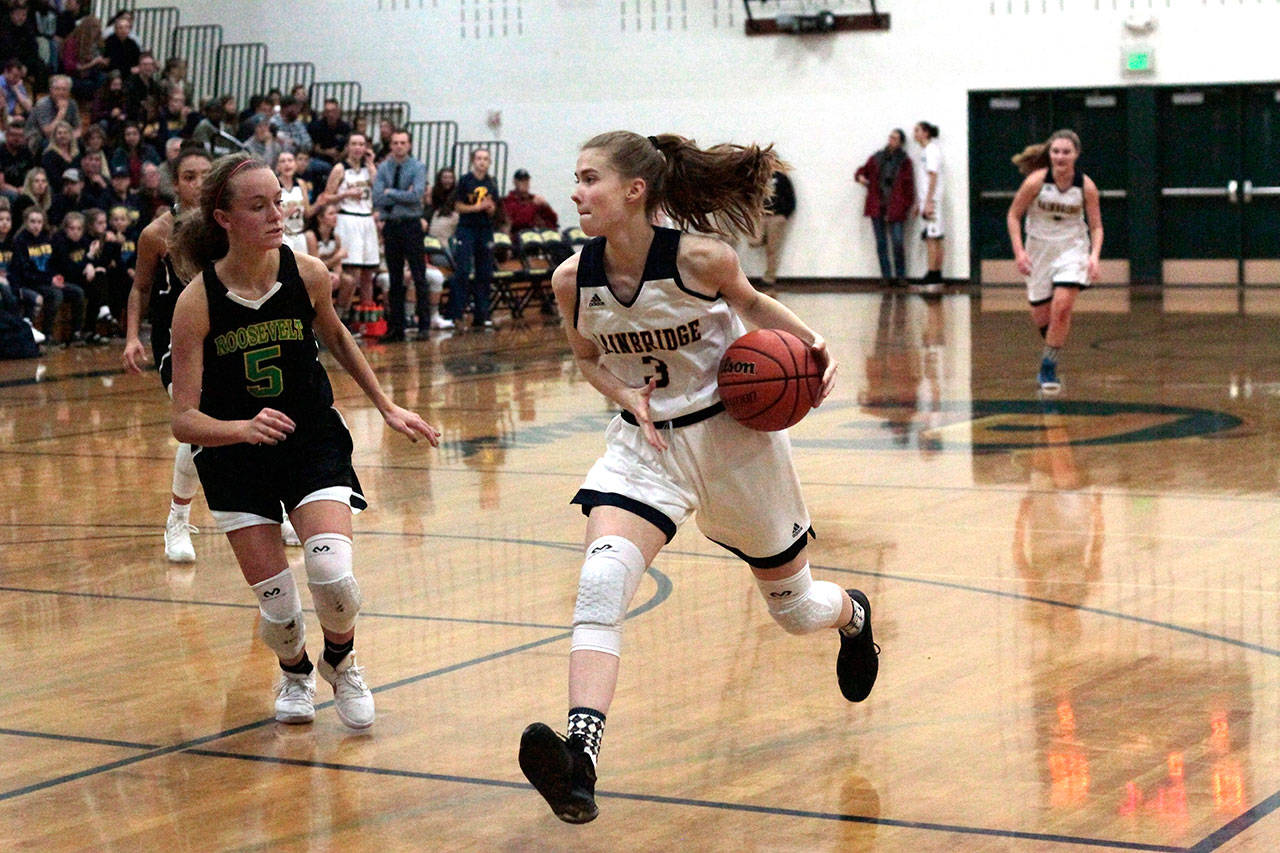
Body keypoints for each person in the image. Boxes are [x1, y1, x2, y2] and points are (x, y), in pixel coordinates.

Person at [517, 130, 880, 824]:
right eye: (576, 177)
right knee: (600, 582)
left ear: (634, 191)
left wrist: (813, 344)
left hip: (733, 442)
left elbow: (753, 306)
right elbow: (588, 357)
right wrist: (625, 397)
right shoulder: (573, 278)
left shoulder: (702, 259)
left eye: (589, 178)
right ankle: (581, 758)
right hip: (644, 446)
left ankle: (854, 615)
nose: (575, 191)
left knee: (796, 608)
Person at [166, 152, 440, 728]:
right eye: (258, 205)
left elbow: (338, 339)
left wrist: (387, 406)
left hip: (311, 438)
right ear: (223, 219)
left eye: (279, 200)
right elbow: (183, 421)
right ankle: (294, 672)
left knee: (333, 576)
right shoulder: (196, 302)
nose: (278, 213)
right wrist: (242, 427)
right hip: (234, 456)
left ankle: (342, 663)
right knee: (280, 609)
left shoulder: (308, 272)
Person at [122, 145, 214, 563]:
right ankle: (177, 518)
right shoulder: (157, 233)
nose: (198, 183)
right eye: (190, 176)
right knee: (196, 422)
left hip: (222, 333)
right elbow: (140, 288)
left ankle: (274, 507)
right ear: (175, 184)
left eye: (205, 175)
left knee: (254, 414)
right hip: (174, 341)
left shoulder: (227, 224)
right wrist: (130, 337)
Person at [1006, 129, 1102, 394]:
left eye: (1066, 152)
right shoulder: (1036, 182)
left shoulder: (1086, 186)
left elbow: (1096, 226)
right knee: (1043, 316)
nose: (1060, 156)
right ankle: (1053, 345)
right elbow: (1013, 216)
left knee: (1062, 307)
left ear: (1076, 155)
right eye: (1056, 151)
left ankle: (1048, 367)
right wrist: (1019, 252)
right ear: (1049, 153)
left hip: (1072, 249)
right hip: (1039, 251)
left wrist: (1093, 256)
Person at [372, 129, 441, 340]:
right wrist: (402, 195)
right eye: (395, 143)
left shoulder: (417, 167)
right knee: (395, 277)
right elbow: (377, 198)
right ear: (390, 145)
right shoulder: (383, 167)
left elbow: (417, 195)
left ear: (409, 145)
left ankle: (423, 326)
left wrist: (390, 193)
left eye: (403, 142)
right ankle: (397, 327)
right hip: (391, 225)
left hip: (411, 225)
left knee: (419, 275)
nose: (399, 146)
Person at [322, 132, 378, 320]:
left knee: (368, 274)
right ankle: (341, 317)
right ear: (348, 146)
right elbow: (326, 196)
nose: (357, 148)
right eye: (354, 143)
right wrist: (345, 195)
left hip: (367, 219)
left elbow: (379, 193)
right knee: (351, 274)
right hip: (348, 218)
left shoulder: (369, 168)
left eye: (361, 144)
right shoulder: (340, 168)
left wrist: (372, 167)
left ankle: (367, 319)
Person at [12, 206, 84, 344]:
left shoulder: (47, 238)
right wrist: (49, 279)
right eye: (32, 221)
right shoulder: (19, 242)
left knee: (77, 292)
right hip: (32, 283)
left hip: (48, 280)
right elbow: (24, 272)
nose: (36, 225)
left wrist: (56, 276)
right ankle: (47, 334)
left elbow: (54, 263)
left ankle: (76, 333)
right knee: (56, 294)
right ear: (26, 222)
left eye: (39, 222)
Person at [855, 129, 914, 286]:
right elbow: (862, 170)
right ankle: (886, 276)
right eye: (890, 137)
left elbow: (909, 188)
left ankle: (901, 276)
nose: (891, 140)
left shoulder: (904, 161)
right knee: (881, 243)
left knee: (898, 242)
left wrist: (905, 206)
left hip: (896, 207)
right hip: (878, 206)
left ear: (900, 141)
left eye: (894, 138)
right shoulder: (877, 157)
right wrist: (860, 176)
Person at [449, 148, 498, 329]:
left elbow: (494, 208)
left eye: (485, 158)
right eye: (479, 158)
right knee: (462, 271)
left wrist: (490, 208)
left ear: (489, 162)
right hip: (466, 229)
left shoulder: (492, 182)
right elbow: (458, 206)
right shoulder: (465, 181)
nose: (482, 162)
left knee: (484, 273)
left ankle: (482, 314)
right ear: (473, 161)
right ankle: (457, 314)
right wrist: (478, 207)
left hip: (485, 230)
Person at [912, 121, 944, 286]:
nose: (914, 133)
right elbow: (923, 180)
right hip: (926, 200)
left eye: (917, 130)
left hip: (932, 201)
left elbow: (933, 176)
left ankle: (933, 273)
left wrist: (929, 201)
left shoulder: (931, 150)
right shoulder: (923, 151)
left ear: (925, 132)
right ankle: (935, 273)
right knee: (932, 236)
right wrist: (919, 203)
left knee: (933, 237)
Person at [305, 201, 349, 299]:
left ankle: (342, 312)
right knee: (326, 281)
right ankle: (322, 313)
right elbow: (315, 266)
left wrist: (337, 275)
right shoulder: (311, 236)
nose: (335, 217)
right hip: (313, 272)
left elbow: (338, 265)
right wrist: (337, 257)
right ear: (320, 218)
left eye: (335, 213)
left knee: (348, 280)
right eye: (331, 214)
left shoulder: (336, 238)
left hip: (329, 271)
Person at [275, 150, 312, 258]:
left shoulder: (301, 184)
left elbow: (308, 213)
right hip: (282, 236)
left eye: (290, 160)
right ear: (277, 166)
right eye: (283, 161)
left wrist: (320, 202)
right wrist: (285, 213)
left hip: (299, 234)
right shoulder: (275, 184)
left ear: (295, 164)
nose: (287, 164)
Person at [502, 168, 559, 233]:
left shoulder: (535, 200)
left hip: (537, 237)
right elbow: (520, 221)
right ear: (515, 182)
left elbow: (554, 219)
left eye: (526, 180)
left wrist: (546, 205)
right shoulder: (507, 201)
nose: (524, 183)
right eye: (521, 180)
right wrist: (532, 207)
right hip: (518, 238)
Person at [426, 167, 458, 242]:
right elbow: (431, 207)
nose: (448, 181)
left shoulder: (457, 193)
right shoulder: (434, 191)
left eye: (450, 178)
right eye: (445, 177)